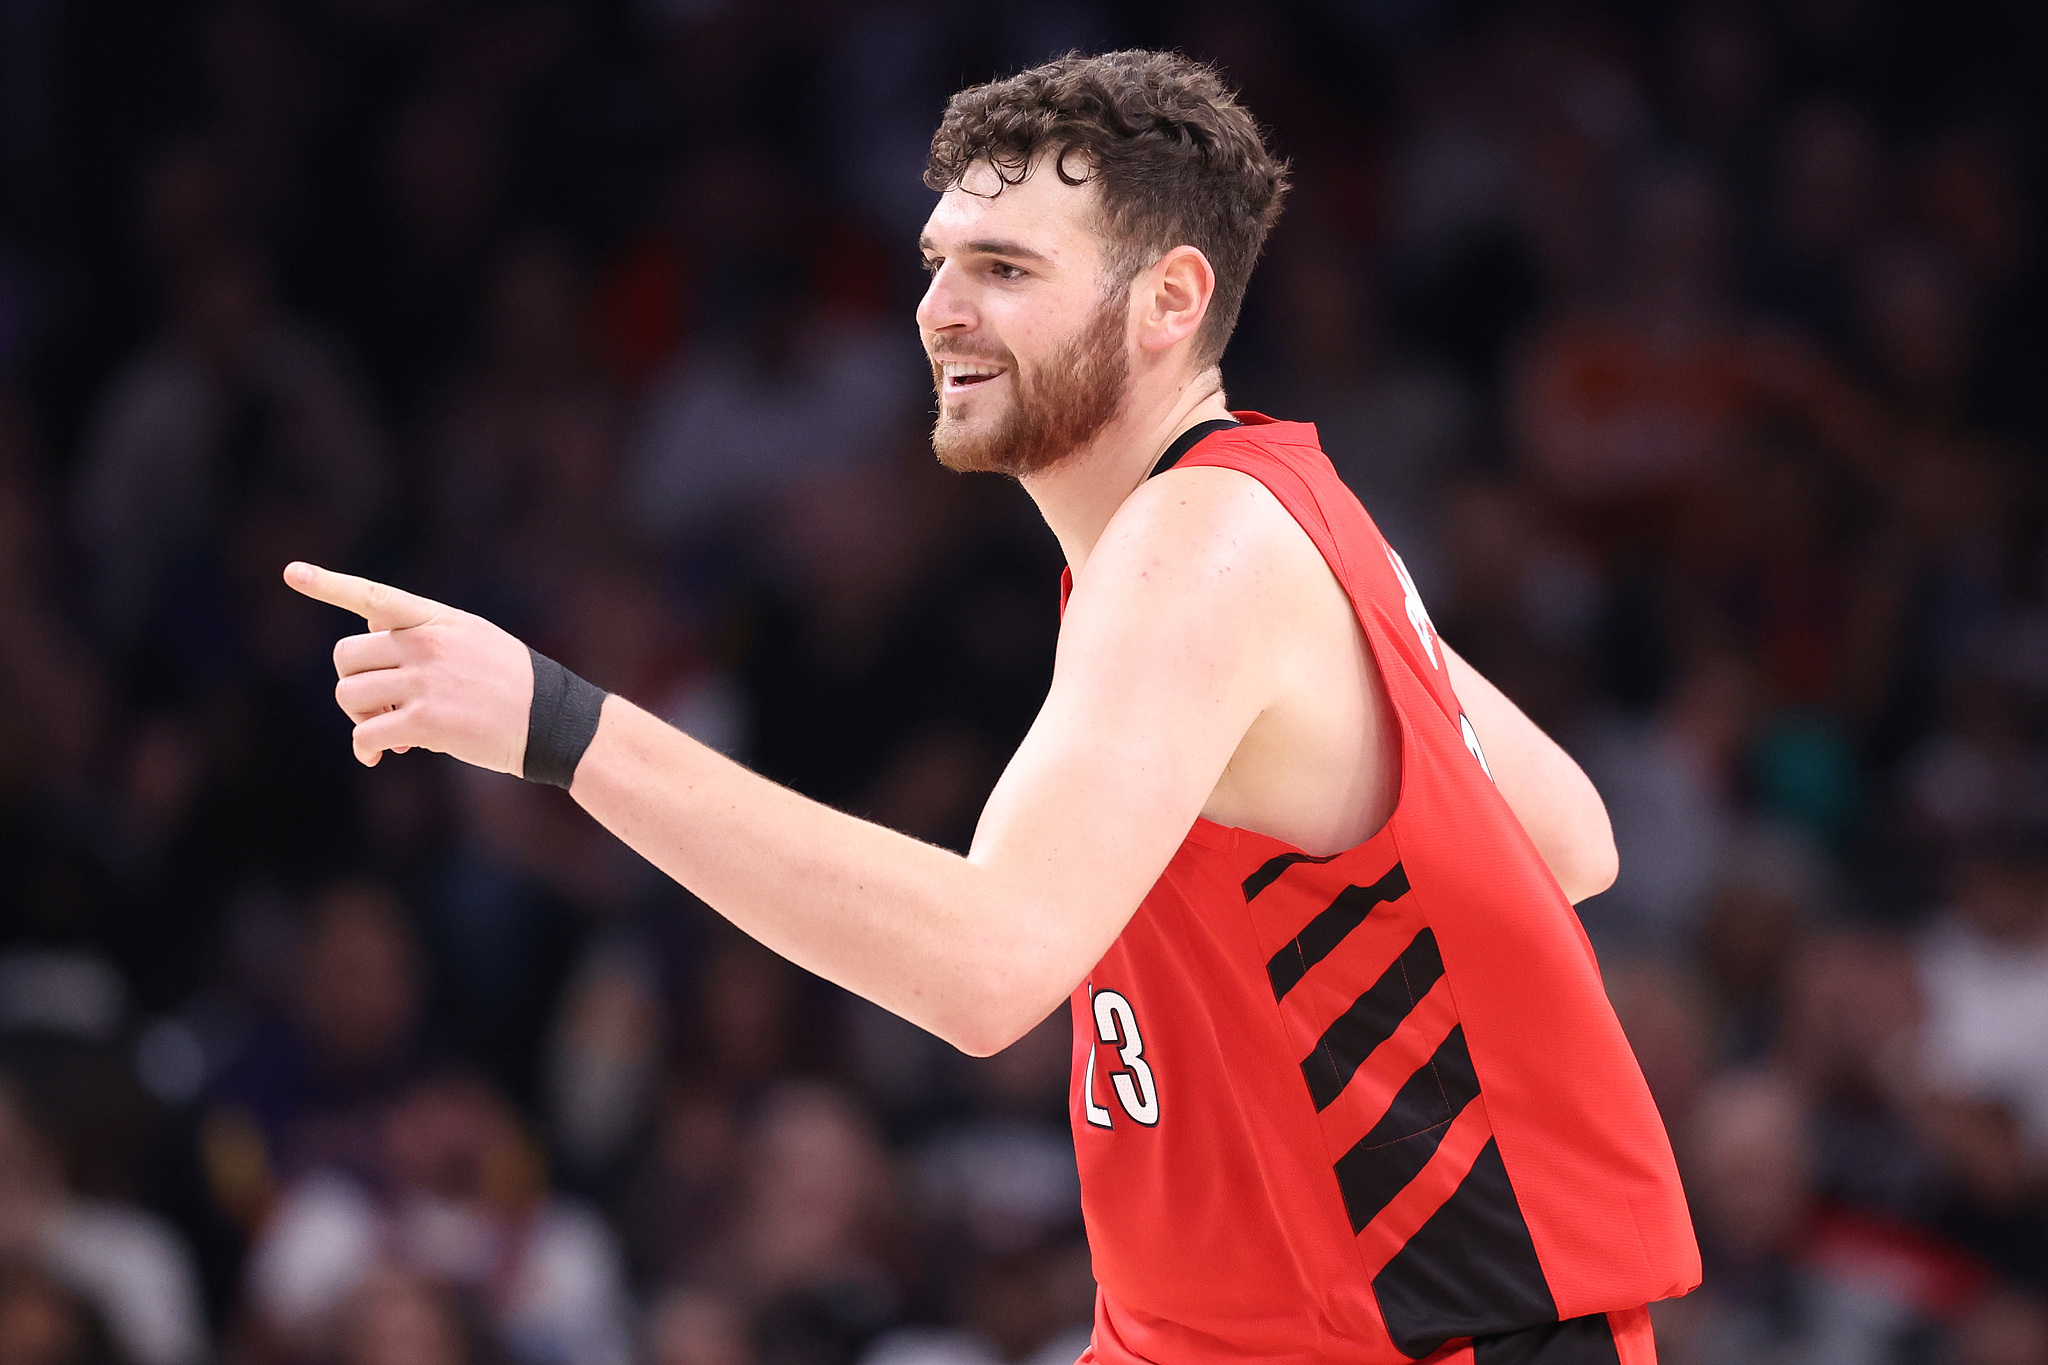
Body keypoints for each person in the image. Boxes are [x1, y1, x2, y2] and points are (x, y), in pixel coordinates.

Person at [288, 50, 1698, 1365]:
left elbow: (983, 969)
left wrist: (563, 725)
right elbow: (1569, 834)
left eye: (1005, 267)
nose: (938, 310)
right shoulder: (1280, 525)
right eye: (938, 262)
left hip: (1424, 1337)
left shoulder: (1199, 550)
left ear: (1171, 299)